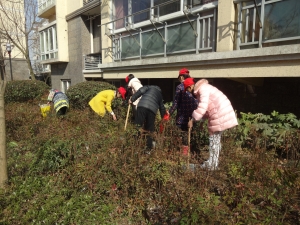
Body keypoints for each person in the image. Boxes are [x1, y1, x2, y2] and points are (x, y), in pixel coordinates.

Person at [185, 78, 238, 170]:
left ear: (190, 87)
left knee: (214, 139)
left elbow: (203, 107)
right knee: (215, 139)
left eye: (187, 89)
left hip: (219, 113)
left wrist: (193, 120)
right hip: (221, 111)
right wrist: (202, 121)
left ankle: (212, 165)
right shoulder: (203, 89)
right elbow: (207, 108)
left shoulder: (203, 89)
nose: (188, 92)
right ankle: (213, 162)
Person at [167, 68, 198, 156]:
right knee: (191, 133)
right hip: (194, 115)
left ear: (181, 77)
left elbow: (176, 102)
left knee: (182, 133)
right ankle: (191, 152)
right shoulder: (194, 84)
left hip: (183, 115)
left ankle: (184, 153)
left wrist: (170, 112)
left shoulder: (180, 87)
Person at [129, 85, 166, 152]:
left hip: (142, 106)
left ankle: (134, 145)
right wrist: (163, 118)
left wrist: (132, 99)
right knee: (149, 130)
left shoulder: (149, 87)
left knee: (138, 125)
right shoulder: (160, 95)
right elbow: (162, 108)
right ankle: (148, 149)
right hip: (152, 111)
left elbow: (140, 91)